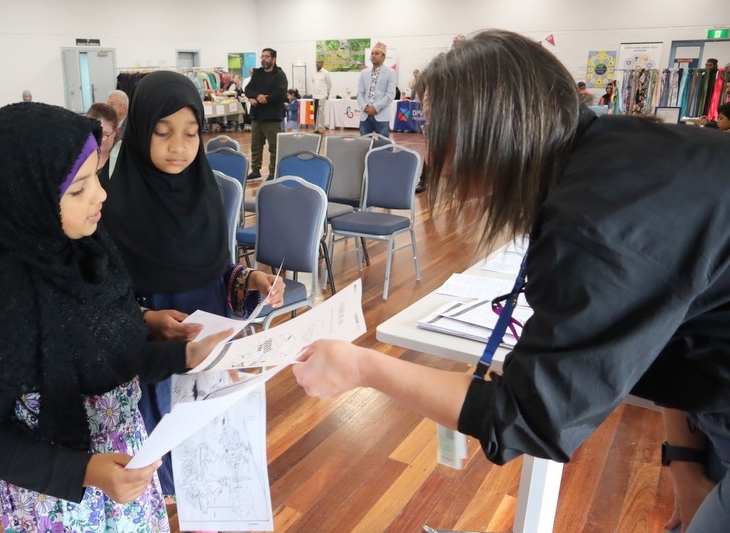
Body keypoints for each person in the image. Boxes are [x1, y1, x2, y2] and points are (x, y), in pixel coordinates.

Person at [293, 29, 730, 532]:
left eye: (439, 129)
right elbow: (677, 321)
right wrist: (684, 464)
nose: (432, 153)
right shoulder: (615, 149)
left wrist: (363, 367)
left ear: (491, 127)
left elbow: (530, 419)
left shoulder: (595, 224)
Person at [0, 102, 231, 532]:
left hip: (124, 469)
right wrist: (87, 471)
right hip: (59, 499)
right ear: (25, 200)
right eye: (78, 189)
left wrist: (184, 356)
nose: (101, 195)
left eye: (96, 176)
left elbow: (112, 360)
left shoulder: (88, 254)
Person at [100, 70, 284, 499]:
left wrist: (250, 280)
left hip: (205, 360)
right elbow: (97, 302)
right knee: (152, 476)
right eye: (163, 133)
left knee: (206, 470)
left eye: (190, 132)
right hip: (145, 365)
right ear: (141, 129)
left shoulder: (204, 195)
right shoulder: (111, 205)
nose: (179, 147)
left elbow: (216, 274)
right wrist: (146, 319)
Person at [244, 48, 288, 180]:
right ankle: (256, 170)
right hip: (257, 115)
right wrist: (255, 96)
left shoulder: (280, 75)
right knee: (255, 146)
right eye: (262, 57)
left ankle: (272, 172)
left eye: (267, 57)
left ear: (274, 59)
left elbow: (280, 93)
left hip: (272, 117)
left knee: (274, 147)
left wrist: (267, 99)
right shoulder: (257, 73)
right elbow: (248, 89)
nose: (264, 59)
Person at [356, 41, 396, 137]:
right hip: (365, 115)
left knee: (384, 147)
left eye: (377, 53)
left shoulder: (390, 72)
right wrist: (365, 107)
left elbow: (390, 94)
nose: (373, 56)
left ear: (383, 57)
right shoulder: (364, 73)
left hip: (381, 116)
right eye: (372, 53)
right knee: (364, 145)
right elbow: (360, 93)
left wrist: (376, 107)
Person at [86, 102, 123, 179]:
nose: (97, 140)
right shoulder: (78, 155)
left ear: (115, 132)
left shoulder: (123, 158)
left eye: (103, 134)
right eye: (93, 133)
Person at [311, 59, 332, 133]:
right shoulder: (313, 73)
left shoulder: (326, 73)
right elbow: (313, 82)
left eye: (319, 63)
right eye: (316, 62)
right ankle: (316, 128)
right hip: (315, 95)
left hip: (322, 95)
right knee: (315, 111)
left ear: (322, 64)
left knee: (321, 111)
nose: (317, 64)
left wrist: (327, 93)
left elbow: (329, 84)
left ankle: (321, 128)